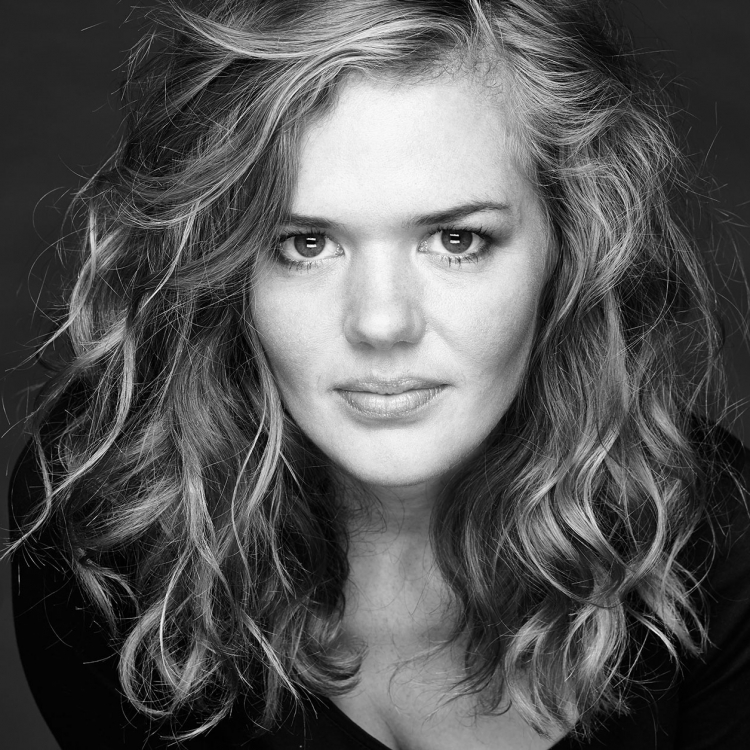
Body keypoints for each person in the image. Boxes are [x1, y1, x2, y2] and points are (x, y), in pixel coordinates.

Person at [6, 0, 750, 748]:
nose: (382, 322)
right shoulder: (107, 520)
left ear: (570, 246)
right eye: (305, 244)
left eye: (456, 240)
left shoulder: (716, 545)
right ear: (227, 268)